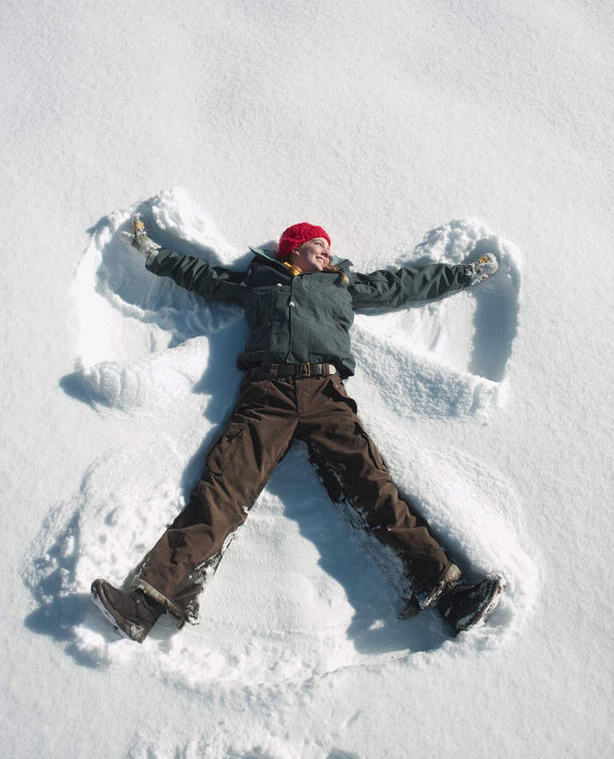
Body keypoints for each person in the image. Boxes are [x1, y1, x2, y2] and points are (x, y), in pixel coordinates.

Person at [91, 218, 505, 643]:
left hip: (326, 393)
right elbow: (201, 276)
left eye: (328, 247)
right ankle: (146, 604)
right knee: (222, 491)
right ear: (293, 248)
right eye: (317, 245)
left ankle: (450, 594)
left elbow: (402, 285)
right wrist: (151, 251)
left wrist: (463, 274)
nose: (327, 252)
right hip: (266, 394)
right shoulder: (258, 281)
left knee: (372, 487)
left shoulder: (342, 283)